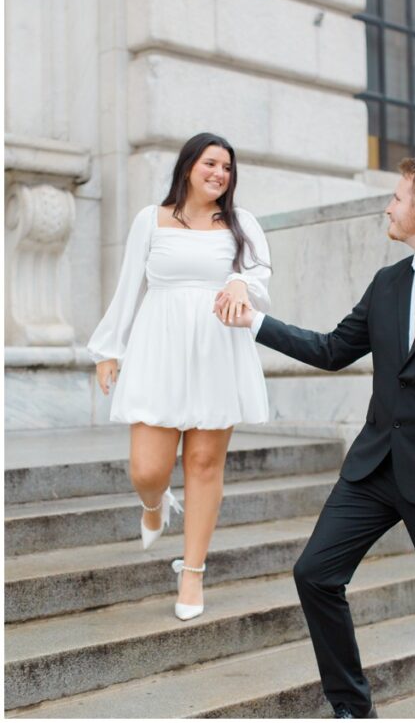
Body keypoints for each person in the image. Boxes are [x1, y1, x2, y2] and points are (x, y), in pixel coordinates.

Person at [216, 157, 415, 719]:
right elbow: (331, 351)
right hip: (375, 468)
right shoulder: (388, 282)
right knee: (315, 574)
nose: (389, 207)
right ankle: (352, 707)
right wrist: (252, 321)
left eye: (397, 198)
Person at [88, 132, 271, 621]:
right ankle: (154, 505)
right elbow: (129, 286)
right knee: (147, 469)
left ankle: (192, 572)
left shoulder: (241, 223)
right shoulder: (150, 219)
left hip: (217, 350)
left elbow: (259, 277)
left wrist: (237, 280)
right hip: (159, 348)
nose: (220, 174)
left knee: (205, 463)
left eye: (228, 168)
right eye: (211, 163)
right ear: (189, 165)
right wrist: (109, 349)